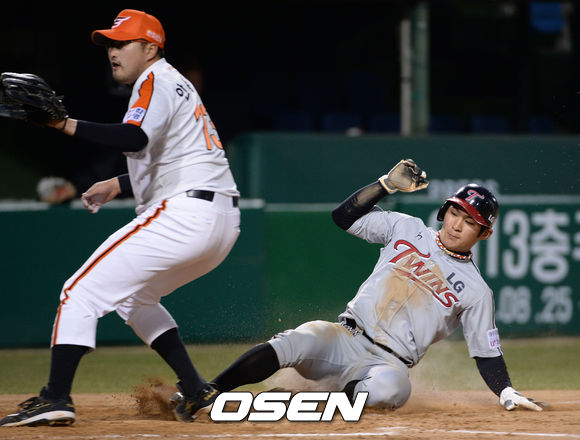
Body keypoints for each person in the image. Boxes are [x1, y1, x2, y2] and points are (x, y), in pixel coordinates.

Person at [0, 9, 240, 427]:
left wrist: (61, 123)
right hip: (220, 220)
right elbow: (182, 157)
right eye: (110, 44)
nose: (113, 51)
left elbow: (134, 137)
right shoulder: (177, 85)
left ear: (150, 48)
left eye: (123, 42)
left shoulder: (154, 80)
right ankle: (195, 388)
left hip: (185, 215)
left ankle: (55, 396)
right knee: (134, 299)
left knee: (78, 292)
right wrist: (119, 183)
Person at [205, 159, 543, 416]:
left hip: (388, 365)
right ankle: (208, 391)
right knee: (297, 340)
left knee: (393, 390)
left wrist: (506, 391)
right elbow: (343, 217)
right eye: (456, 213)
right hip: (345, 336)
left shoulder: (476, 291)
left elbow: (486, 352)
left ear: (484, 233)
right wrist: (385, 185)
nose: (457, 224)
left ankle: (317, 401)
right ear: (445, 211)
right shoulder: (407, 228)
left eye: (470, 222)